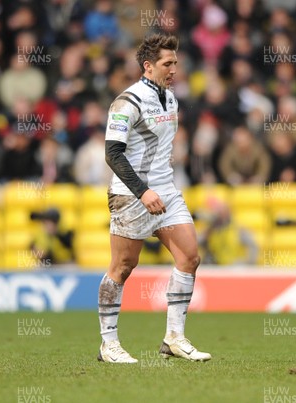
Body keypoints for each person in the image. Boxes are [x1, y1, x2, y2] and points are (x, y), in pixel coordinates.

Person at [99, 34, 211, 364]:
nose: (175, 68)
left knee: (190, 257)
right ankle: (109, 344)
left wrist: (159, 188)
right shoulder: (125, 102)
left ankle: (174, 337)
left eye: (176, 62)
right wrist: (143, 191)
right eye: (167, 63)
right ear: (148, 66)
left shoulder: (172, 99)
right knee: (122, 267)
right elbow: (113, 153)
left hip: (166, 192)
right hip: (131, 195)